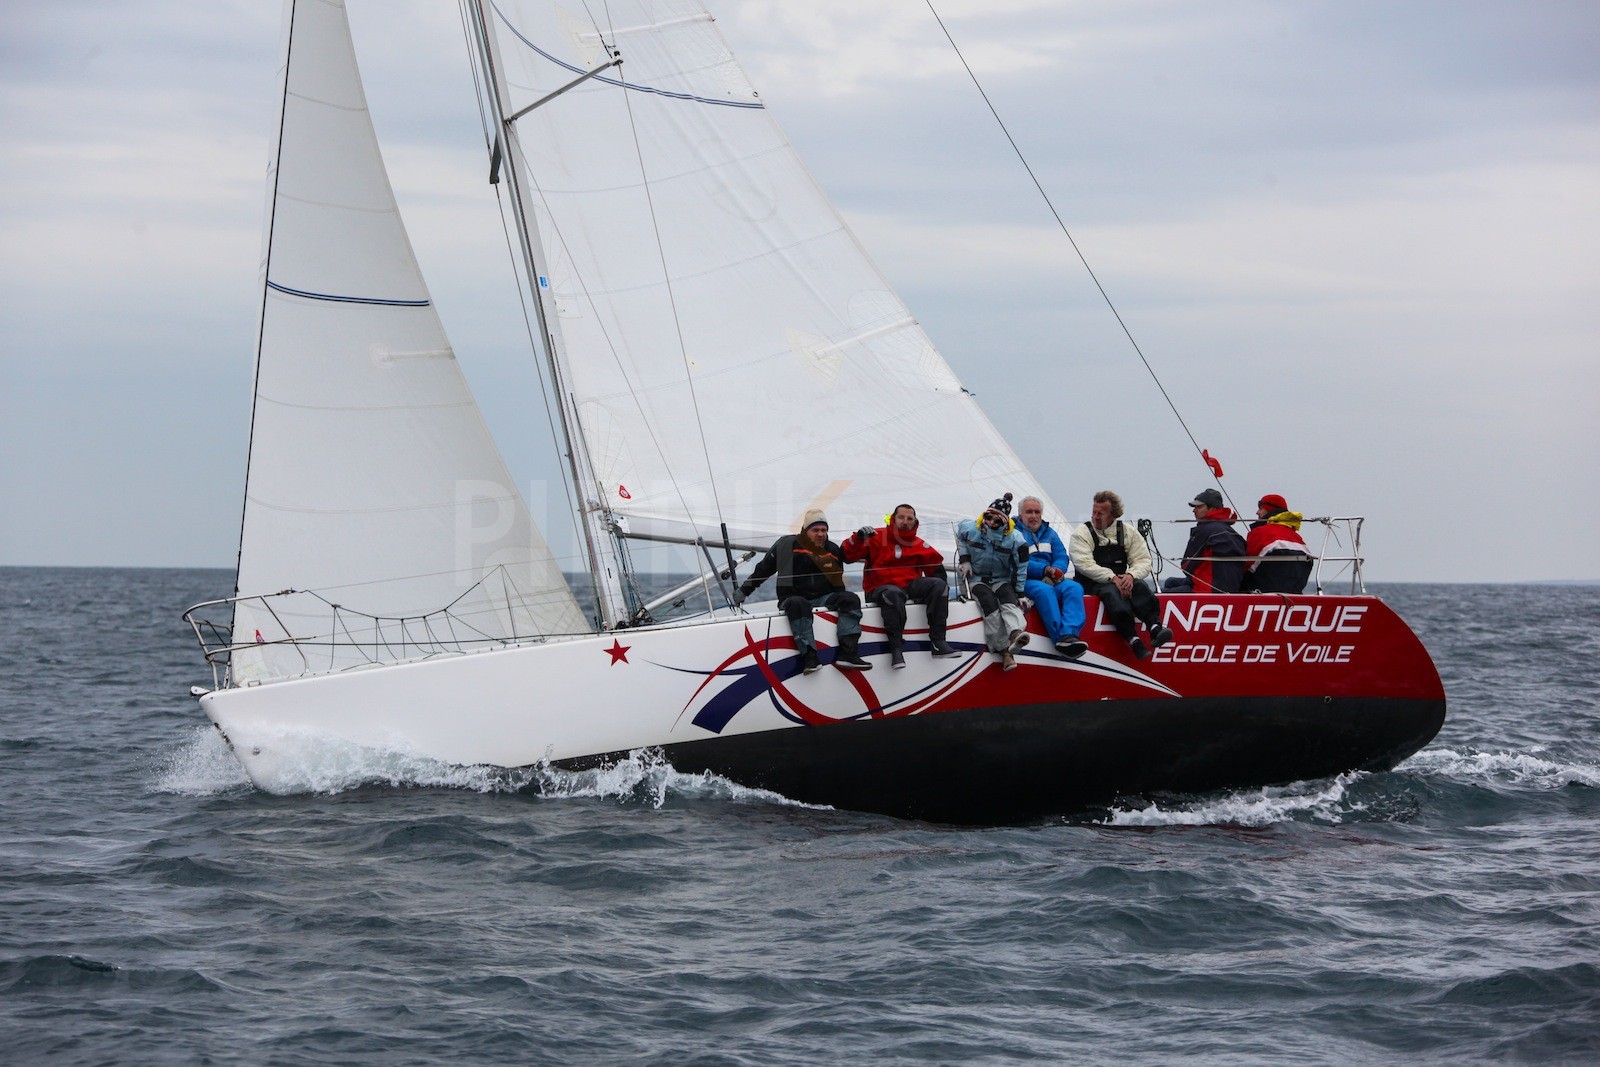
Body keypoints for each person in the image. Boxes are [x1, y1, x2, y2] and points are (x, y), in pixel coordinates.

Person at [734, 508, 871, 674]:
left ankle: (848, 655)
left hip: (823, 599)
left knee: (850, 599)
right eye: (815, 530)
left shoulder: (833, 550)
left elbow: (843, 570)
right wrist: (744, 591)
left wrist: (859, 539)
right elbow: (763, 569)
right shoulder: (787, 544)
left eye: (824, 530)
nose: (820, 534)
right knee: (798, 603)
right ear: (805, 531)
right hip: (793, 599)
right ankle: (810, 656)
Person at [844, 503, 957, 669]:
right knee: (893, 594)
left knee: (939, 585)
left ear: (915, 522)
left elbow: (936, 570)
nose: (905, 522)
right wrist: (858, 538)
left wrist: (942, 595)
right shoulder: (876, 536)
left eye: (910, 518)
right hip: (878, 587)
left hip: (909, 586)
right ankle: (896, 648)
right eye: (901, 517)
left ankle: (938, 642)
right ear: (893, 519)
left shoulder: (919, 544)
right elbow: (847, 556)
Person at [1068, 490, 1173, 660]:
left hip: (1121, 580)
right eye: (1093, 512)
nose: (1095, 517)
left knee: (1140, 586)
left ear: (1113, 516)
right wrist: (1113, 578)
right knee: (1111, 593)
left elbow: (1143, 559)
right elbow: (1084, 564)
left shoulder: (1127, 531)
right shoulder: (1082, 533)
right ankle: (1133, 639)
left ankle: (1155, 627)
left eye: (1100, 514)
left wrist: (1131, 575)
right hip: (1092, 583)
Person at [956, 493, 1031, 671]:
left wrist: (1020, 593)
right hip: (976, 578)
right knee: (988, 602)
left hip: (1001, 578)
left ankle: (1016, 633)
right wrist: (965, 559)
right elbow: (960, 535)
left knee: (1008, 599)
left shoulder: (1017, 540)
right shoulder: (971, 528)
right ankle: (1005, 651)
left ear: (1005, 523)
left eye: (996, 520)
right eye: (987, 517)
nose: (989, 523)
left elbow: (1021, 568)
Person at [1013, 495, 1087, 659]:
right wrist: (1044, 570)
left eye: (1037, 512)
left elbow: (1061, 556)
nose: (1034, 516)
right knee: (1044, 591)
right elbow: (1018, 561)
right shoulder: (1013, 533)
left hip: (1052, 578)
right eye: (1029, 512)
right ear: (1020, 515)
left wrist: (1056, 570)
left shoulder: (1049, 532)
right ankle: (1059, 638)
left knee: (1074, 587)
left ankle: (1070, 634)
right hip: (1025, 580)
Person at [1163, 488, 1249, 594]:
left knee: (1159, 594)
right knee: (1171, 581)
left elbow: (1186, 565)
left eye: (1199, 507)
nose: (1194, 510)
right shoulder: (1231, 532)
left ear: (1212, 509)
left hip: (1208, 589)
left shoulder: (1205, 530)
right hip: (1230, 588)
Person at [1242, 493, 1314, 594]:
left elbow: (1247, 566)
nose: (1257, 512)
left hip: (1262, 594)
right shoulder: (1296, 536)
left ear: (1269, 510)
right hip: (1294, 595)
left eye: (1261, 508)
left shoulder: (1260, 532)